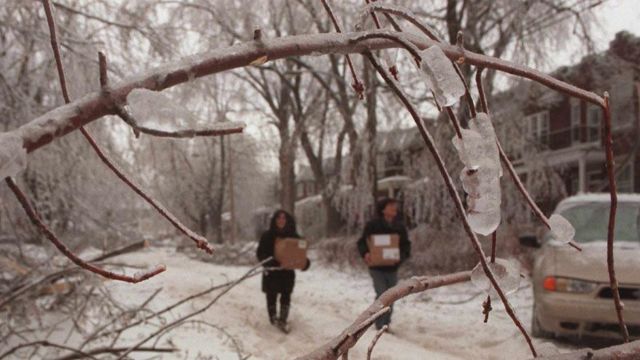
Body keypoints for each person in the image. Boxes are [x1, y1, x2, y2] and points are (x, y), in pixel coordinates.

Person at [357, 198, 411, 331]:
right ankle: (379, 324)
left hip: (392, 267)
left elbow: (406, 245)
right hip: (376, 267)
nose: (394, 208)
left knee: (391, 296)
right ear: (383, 209)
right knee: (382, 294)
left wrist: (401, 257)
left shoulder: (399, 226)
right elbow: (362, 242)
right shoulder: (372, 225)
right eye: (391, 206)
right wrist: (366, 254)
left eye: (395, 206)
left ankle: (386, 324)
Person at [256, 209, 310, 332]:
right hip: (272, 272)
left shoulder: (294, 237)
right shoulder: (267, 236)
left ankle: (283, 319)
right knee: (271, 295)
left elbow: (300, 255)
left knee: (286, 296)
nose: (281, 220)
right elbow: (260, 253)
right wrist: (269, 262)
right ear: (274, 220)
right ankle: (273, 318)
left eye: (283, 218)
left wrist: (304, 263)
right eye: (278, 218)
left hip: (287, 273)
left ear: (288, 220)